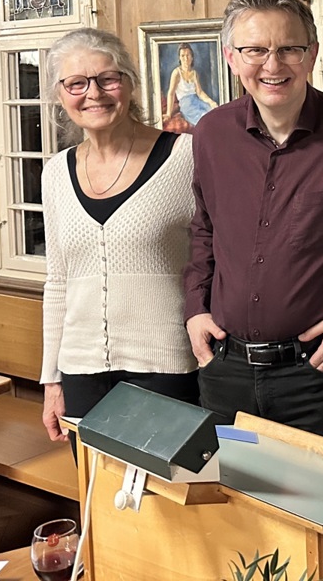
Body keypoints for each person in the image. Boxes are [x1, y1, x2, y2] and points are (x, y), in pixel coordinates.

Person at [183, 0, 323, 447]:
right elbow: (204, 230)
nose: (272, 66)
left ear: (311, 54)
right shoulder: (211, 134)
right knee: (231, 508)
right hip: (224, 369)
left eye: (288, 49)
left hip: (319, 374)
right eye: (255, 49)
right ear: (231, 56)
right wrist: (195, 309)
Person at [40, 28, 199, 444]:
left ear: (130, 84)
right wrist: (52, 380)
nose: (94, 93)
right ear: (61, 95)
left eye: (108, 79)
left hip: (167, 366)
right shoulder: (55, 172)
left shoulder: (186, 156)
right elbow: (57, 283)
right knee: (96, 493)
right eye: (76, 83)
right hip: (80, 373)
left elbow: (218, 257)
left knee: (166, 503)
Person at [165, 43, 218, 126]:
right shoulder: (176, 73)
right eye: (183, 56)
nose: (186, 59)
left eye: (188, 55)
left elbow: (199, 92)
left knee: (214, 112)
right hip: (186, 105)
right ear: (179, 57)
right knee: (204, 118)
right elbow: (171, 93)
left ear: (192, 57)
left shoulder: (194, 73)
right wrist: (168, 113)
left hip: (197, 101)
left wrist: (211, 102)